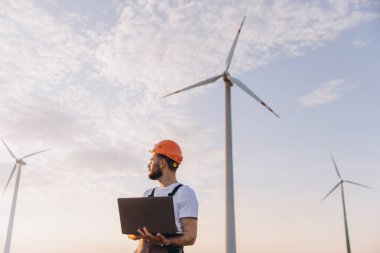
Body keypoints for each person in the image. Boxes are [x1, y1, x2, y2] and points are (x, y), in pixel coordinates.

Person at [128, 140, 198, 253]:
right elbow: (131, 235)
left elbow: (191, 237)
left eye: (151, 160)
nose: (148, 165)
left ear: (162, 163)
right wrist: (135, 233)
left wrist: (165, 241)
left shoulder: (184, 192)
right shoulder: (147, 193)